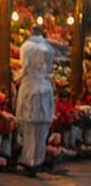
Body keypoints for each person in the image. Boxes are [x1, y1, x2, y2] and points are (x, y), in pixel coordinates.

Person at [15, 25, 55, 176]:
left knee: (29, 125)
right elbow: (49, 70)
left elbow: (24, 68)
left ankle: (28, 159)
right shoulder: (49, 49)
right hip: (45, 87)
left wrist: (16, 76)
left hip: (30, 86)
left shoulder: (26, 46)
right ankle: (38, 159)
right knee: (41, 127)